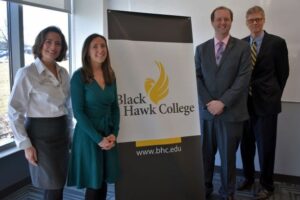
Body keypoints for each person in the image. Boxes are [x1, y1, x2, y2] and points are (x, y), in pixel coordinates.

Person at [195, 6, 251, 200]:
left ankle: (228, 192)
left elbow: (243, 79)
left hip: (232, 112)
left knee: (228, 157)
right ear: (212, 22)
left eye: (226, 19)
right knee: (206, 155)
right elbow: (196, 77)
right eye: (218, 19)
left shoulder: (243, 48)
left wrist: (223, 103)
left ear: (231, 22)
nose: (222, 23)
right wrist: (210, 102)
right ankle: (205, 188)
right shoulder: (201, 49)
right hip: (207, 112)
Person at [8, 26, 71, 200]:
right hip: (40, 136)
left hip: (61, 133)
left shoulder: (63, 73)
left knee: (58, 184)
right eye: (48, 42)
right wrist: (26, 145)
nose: (53, 47)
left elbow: (67, 106)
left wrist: (71, 132)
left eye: (58, 43)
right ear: (40, 44)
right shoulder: (27, 73)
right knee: (52, 184)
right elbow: (14, 111)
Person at [238, 6, 289, 200]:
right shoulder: (241, 44)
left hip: (267, 105)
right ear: (246, 22)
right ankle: (249, 178)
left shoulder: (277, 43)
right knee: (246, 146)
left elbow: (283, 73)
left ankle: (267, 185)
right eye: (251, 20)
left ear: (264, 19)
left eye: (258, 19)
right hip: (244, 105)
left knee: (266, 146)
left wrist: (273, 95)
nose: (255, 23)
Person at [67, 33, 120, 200]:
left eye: (103, 46)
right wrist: (98, 139)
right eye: (95, 47)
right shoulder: (79, 76)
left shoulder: (110, 74)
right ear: (87, 52)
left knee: (103, 181)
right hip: (88, 135)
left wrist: (114, 135)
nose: (100, 50)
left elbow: (115, 107)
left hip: (107, 133)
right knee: (94, 184)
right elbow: (78, 112)